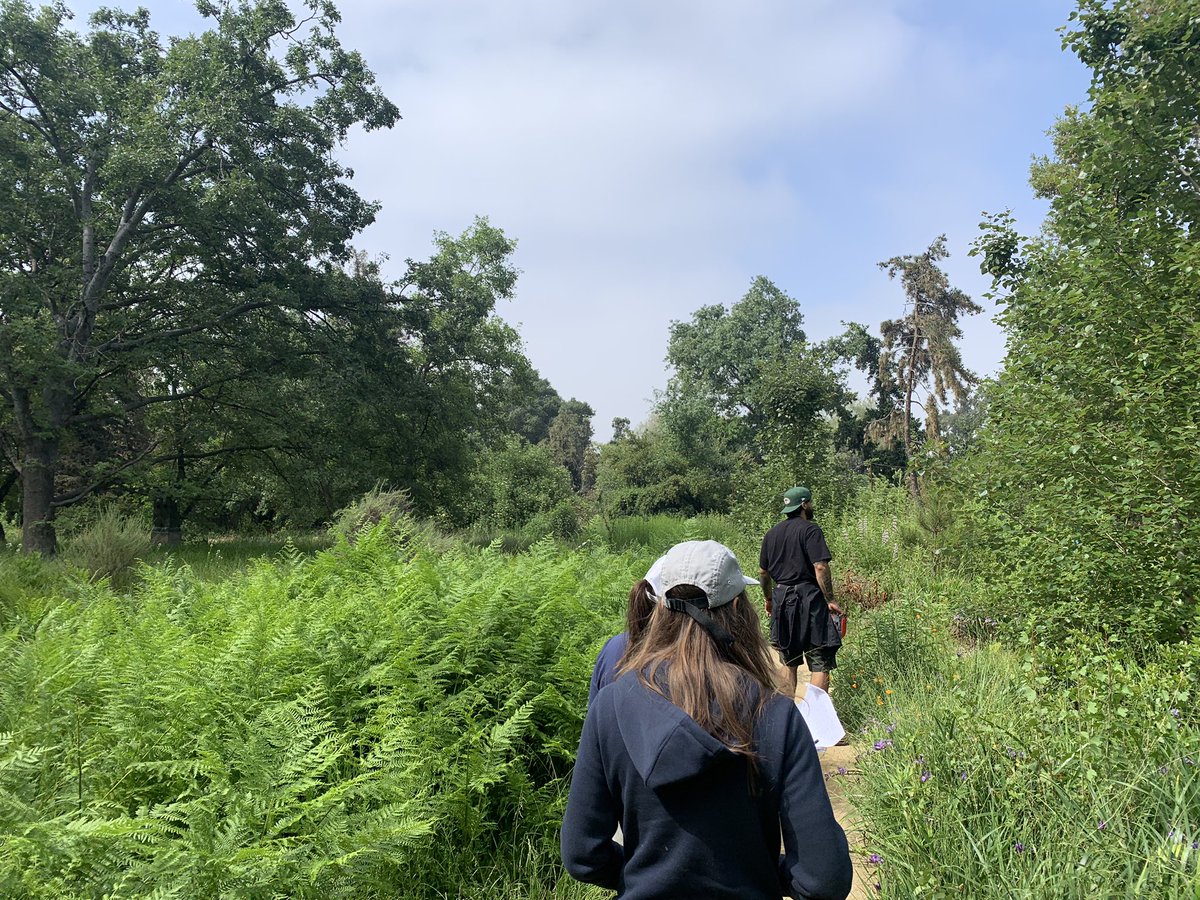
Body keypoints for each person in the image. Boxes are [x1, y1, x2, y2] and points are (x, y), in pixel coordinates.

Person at [562, 540, 852, 900]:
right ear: (736, 607)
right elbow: (824, 879)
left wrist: (644, 876)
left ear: (660, 609)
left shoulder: (611, 707)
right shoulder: (775, 713)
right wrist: (763, 872)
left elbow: (581, 854)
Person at [760, 486, 843, 698]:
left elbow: (763, 573)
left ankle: (788, 719)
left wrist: (769, 599)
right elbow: (820, 567)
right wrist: (831, 599)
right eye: (810, 503)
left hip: (781, 599)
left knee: (789, 662)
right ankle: (816, 723)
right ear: (804, 505)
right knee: (819, 660)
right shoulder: (810, 530)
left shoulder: (771, 534)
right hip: (809, 600)